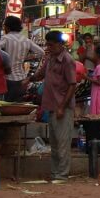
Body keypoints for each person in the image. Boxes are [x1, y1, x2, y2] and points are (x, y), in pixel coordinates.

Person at [34, 31, 76, 182]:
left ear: (59, 44)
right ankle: (55, 173)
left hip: (62, 107)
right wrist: (28, 80)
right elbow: (41, 74)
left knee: (62, 142)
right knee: (54, 142)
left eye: (51, 45)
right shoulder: (51, 58)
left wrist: (62, 107)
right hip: (51, 105)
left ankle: (62, 174)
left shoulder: (67, 60)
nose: (48, 47)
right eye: (48, 45)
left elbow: (72, 85)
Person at [0, 16, 43, 102]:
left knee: (7, 104)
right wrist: (25, 58)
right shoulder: (26, 40)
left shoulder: (5, 38)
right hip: (22, 78)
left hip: (7, 78)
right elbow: (41, 52)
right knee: (18, 103)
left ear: (7, 26)